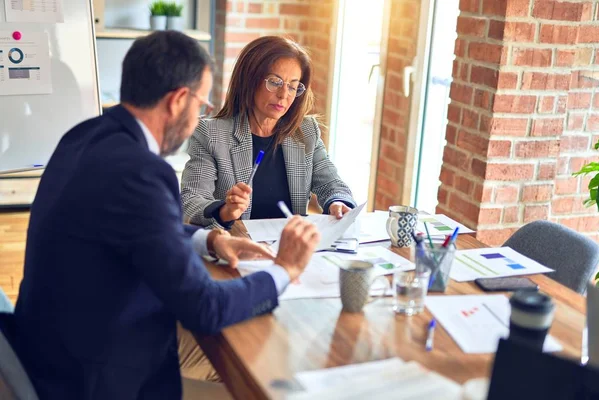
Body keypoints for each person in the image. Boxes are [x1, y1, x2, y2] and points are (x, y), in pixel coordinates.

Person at [1, 31, 320, 399]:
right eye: (200, 103)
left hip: (47, 348)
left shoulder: (86, 135)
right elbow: (205, 308)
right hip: (96, 378)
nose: (200, 114)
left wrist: (210, 238)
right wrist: (286, 269)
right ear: (178, 100)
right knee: (269, 359)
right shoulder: (143, 173)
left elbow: (135, 224)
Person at [181, 36, 356, 229]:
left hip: (289, 247)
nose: (284, 95)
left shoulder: (306, 131)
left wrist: (338, 202)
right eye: (274, 82)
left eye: (292, 86)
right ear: (249, 79)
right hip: (235, 247)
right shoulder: (211, 134)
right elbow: (191, 201)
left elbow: (331, 183)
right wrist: (225, 211)